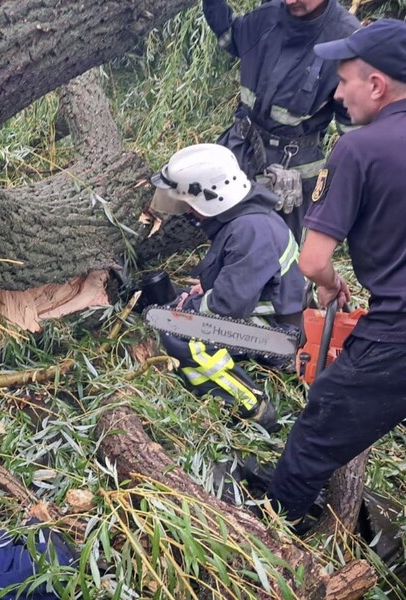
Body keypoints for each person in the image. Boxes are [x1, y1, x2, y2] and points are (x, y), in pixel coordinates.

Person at [266, 19, 406, 524]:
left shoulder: (357, 149)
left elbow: (313, 260)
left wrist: (329, 284)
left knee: (318, 426)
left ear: (375, 84)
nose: (338, 93)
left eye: (344, 80)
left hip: (399, 335)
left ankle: (277, 530)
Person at [149, 143, 306, 434]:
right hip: (266, 316)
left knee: (181, 336)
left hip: (280, 336)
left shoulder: (251, 232)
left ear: (209, 198)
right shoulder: (243, 218)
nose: (185, 210)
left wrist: (190, 312)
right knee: (178, 313)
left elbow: (227, 306)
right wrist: (203, 291)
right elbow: (235, 278)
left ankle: (251, 407)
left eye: (188, 203)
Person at [203, 0, 360, 241]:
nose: (289, 1)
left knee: (280, 248)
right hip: (241, 147)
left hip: (293, 171)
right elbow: (230, 36)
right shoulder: (266, 17)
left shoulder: (347, 39)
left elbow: (355, 138)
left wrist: (336, 199)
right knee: (229, 235)